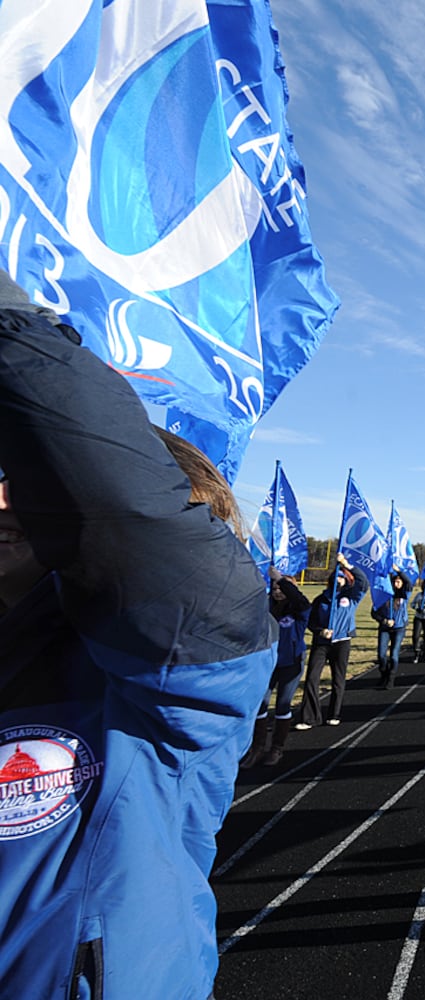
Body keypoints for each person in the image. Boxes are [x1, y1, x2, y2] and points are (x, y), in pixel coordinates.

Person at [0, 281, 276, 999]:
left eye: (28, 484)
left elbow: (119, 506)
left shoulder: (179, 669)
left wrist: (13, 325)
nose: (5, 496)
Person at [246, 570, 312, 767]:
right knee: (261, 704)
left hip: (291, 663)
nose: (277, 592)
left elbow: (299, 600)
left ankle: (277, 748)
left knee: (283, 704)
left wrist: (281, 580)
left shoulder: (299, 609)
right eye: (274, 589)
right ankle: (257, 747)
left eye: (281, 589)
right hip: (268, 663)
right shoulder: (266, 608)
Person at [296, 556, 369, 729]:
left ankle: (334, 714)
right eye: (336, 577)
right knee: (312, 678)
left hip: (342, 642)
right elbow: (310, 622)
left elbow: (363, 582)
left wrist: (346, 565)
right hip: (321, 643)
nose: (339, 580)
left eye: (342, 577)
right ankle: (309, 718)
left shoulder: (352, 596)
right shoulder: (321, 599)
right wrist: (320, 631)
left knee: (338, 679)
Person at [372, 571, 412, 690]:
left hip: (399, 628)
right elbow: (374, 613)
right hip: (385, 628)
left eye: (399, 582)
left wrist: (398, 570)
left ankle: (391, 679)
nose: (396, 583)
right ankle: (384, 674)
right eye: (394, 581)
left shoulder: (404, 594)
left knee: (394, 654)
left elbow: (409, 582)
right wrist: (384, 620)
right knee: (381, 654)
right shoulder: (383, 596)